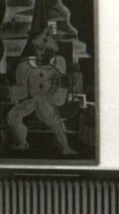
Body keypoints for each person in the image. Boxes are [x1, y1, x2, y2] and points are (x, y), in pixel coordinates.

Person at [7, 24, 73, 154]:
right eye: (37, 48)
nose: (38, 52)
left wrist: (59, 87)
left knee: (44, 102)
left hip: (52, 102)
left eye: (42, 49)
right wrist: (9, 91)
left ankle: (65, 146)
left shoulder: (59, 62)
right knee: (12, 115)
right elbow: (23, 92)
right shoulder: (25, 65)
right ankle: (22, 142)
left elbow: (62, 92)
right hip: (32, 102)